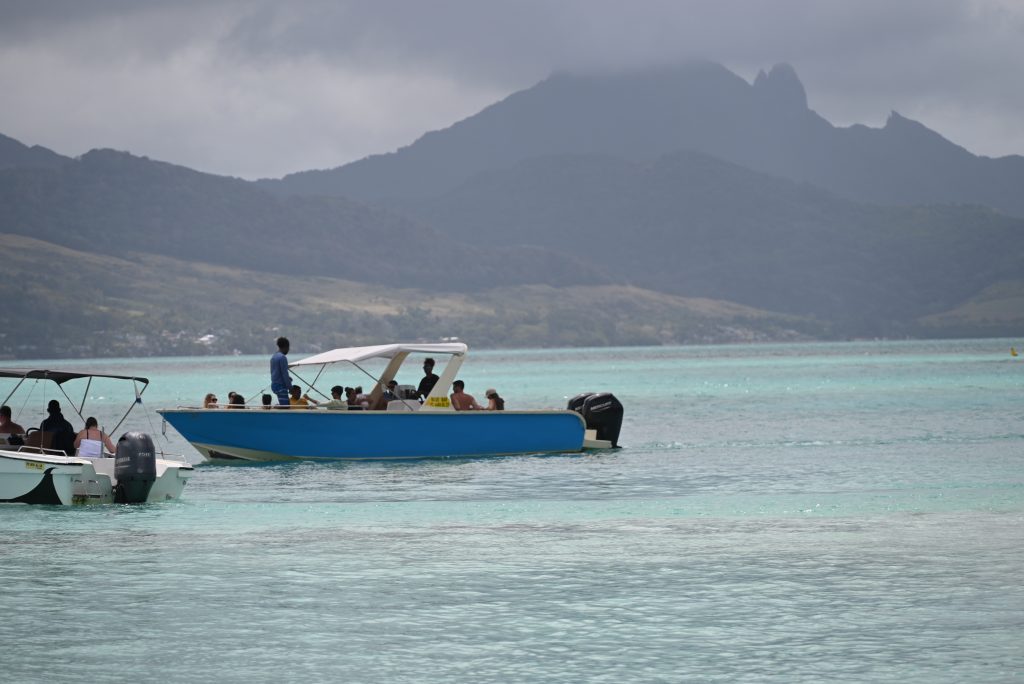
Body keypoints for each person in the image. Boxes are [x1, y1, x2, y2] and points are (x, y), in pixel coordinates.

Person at [270, 336, 292, 406]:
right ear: (285, 347)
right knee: (286, 406)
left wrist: (289, 379)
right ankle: (274, 407)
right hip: (281, 386)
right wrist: (290, 388)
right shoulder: (282, 357)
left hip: (274, 385)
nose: (288, 350)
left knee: (284, 404)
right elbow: (284, 374)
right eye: (288, 348)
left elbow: (275, 372)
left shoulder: (273, 357)